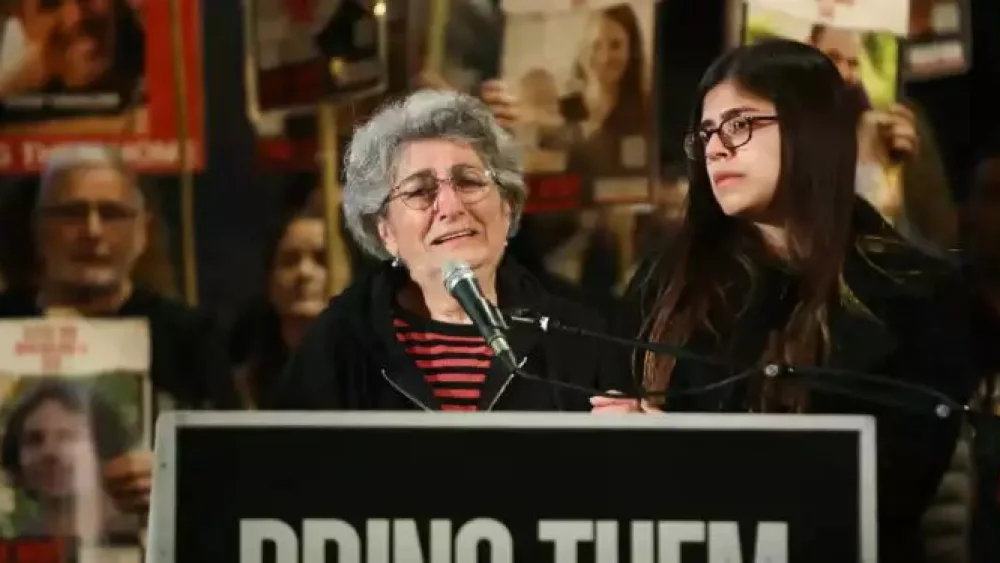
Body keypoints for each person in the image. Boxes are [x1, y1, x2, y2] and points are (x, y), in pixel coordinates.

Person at [592, 40, 975, 563]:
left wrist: (688, 454)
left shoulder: (914, 289)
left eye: (740, 123)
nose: (716, 148)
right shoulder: (667, 282)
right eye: (706, 133)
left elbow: (888, 489)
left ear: (811, 128)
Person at [269, 89, 625, 411]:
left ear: (507, 207)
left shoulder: (577, 338)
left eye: (469, 181)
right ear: (386, 231)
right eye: (420, 191)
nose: (450, 206)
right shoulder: (336, 346)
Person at [0, 379, 136, 542]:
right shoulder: (21, 545)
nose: (49, 452)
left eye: (68, 437)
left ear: (104, 448)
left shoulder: (150, 536)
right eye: (34, 440)